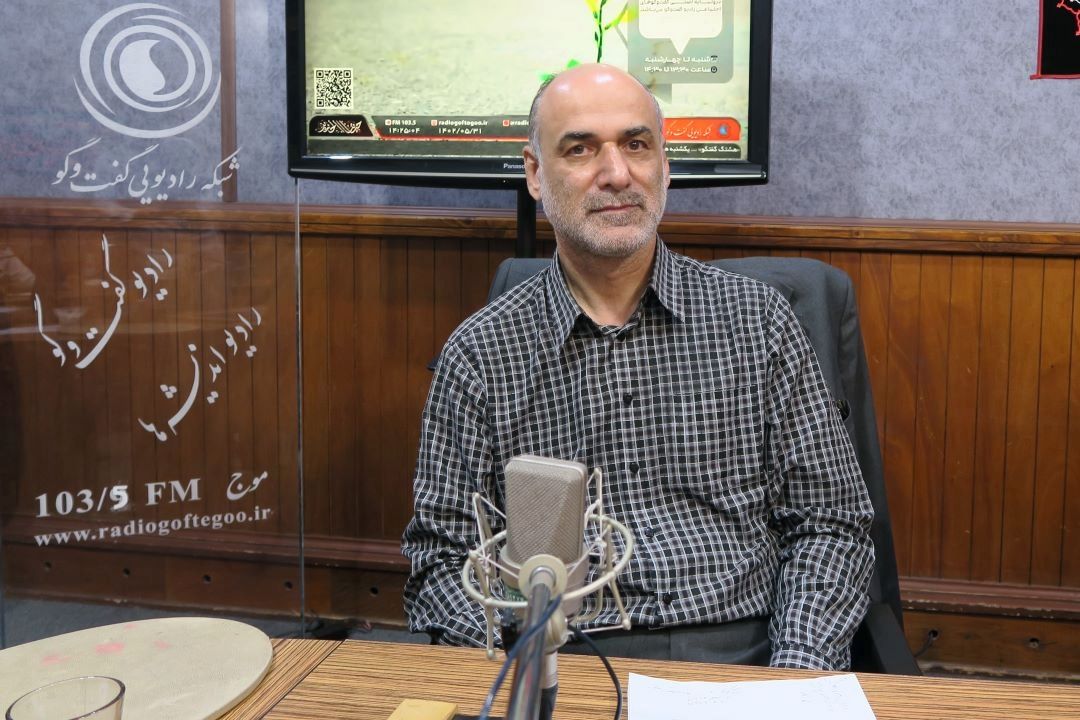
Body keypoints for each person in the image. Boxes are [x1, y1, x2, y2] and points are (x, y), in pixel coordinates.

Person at [402, 64, 874, 671]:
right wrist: (522, 670)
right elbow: (441, 562)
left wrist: (794, 676)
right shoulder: (479, 355)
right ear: (535, 174)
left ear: (664, 166)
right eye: (580, 149)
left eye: (636, 145)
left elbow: (831, 524)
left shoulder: (759, 322)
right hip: (563, 654)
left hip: (746, 651)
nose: (617, 174)